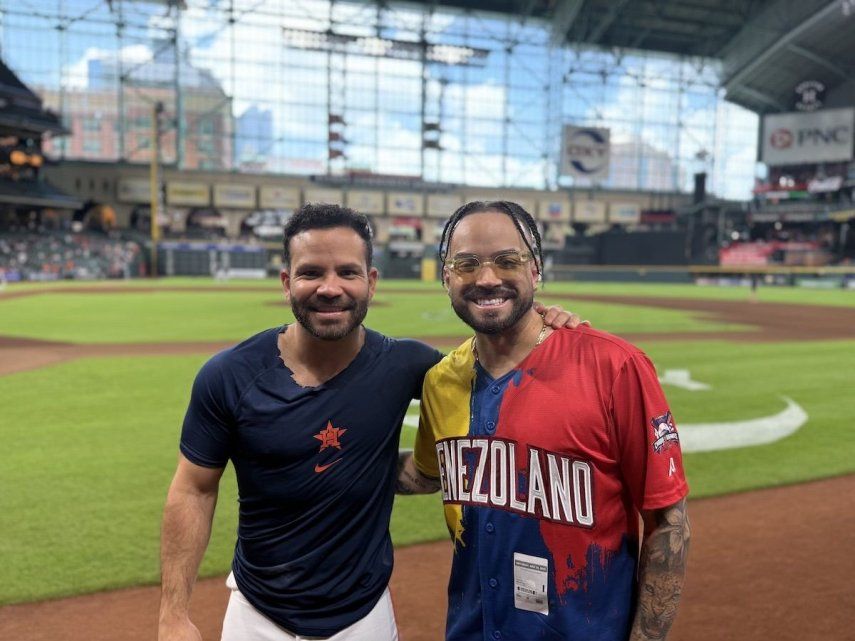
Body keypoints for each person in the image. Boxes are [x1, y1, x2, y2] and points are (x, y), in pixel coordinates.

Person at [158, 203, 583, 641]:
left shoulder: (408, 365)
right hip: (256, 615)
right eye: (310, 273)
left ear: (371, 282)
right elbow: (193, 487)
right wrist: (173, 613)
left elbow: (494, 372)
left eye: (347, 271)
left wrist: (544, 325)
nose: (329, 288)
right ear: (287, 283)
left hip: (364, 618)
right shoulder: (230, 375)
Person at [404, 200, 691, 641]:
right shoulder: (441, 382)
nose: (486, 279)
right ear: (446, 277)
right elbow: (425, 475)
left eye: (507, 261)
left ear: (535, 270)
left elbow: (668, 521)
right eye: (466, 264)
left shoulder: (614, 366)